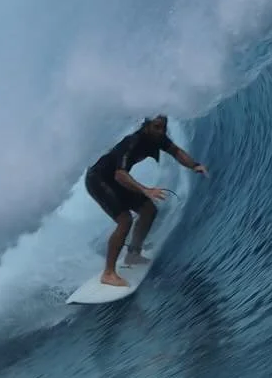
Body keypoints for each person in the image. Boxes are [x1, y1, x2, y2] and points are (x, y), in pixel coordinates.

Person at [84, 114, 207, 287]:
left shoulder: (158, 138)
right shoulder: (133, 142)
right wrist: (146, 190)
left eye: (164, 127)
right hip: (98, 179)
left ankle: (133, 254)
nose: (161, 131)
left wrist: (195, 165)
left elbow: (177, 152)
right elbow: (120, 174)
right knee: (125, 220)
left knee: (149, 210)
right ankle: (108, 273)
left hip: (114, 179)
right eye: (157, 126)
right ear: (147, 125)